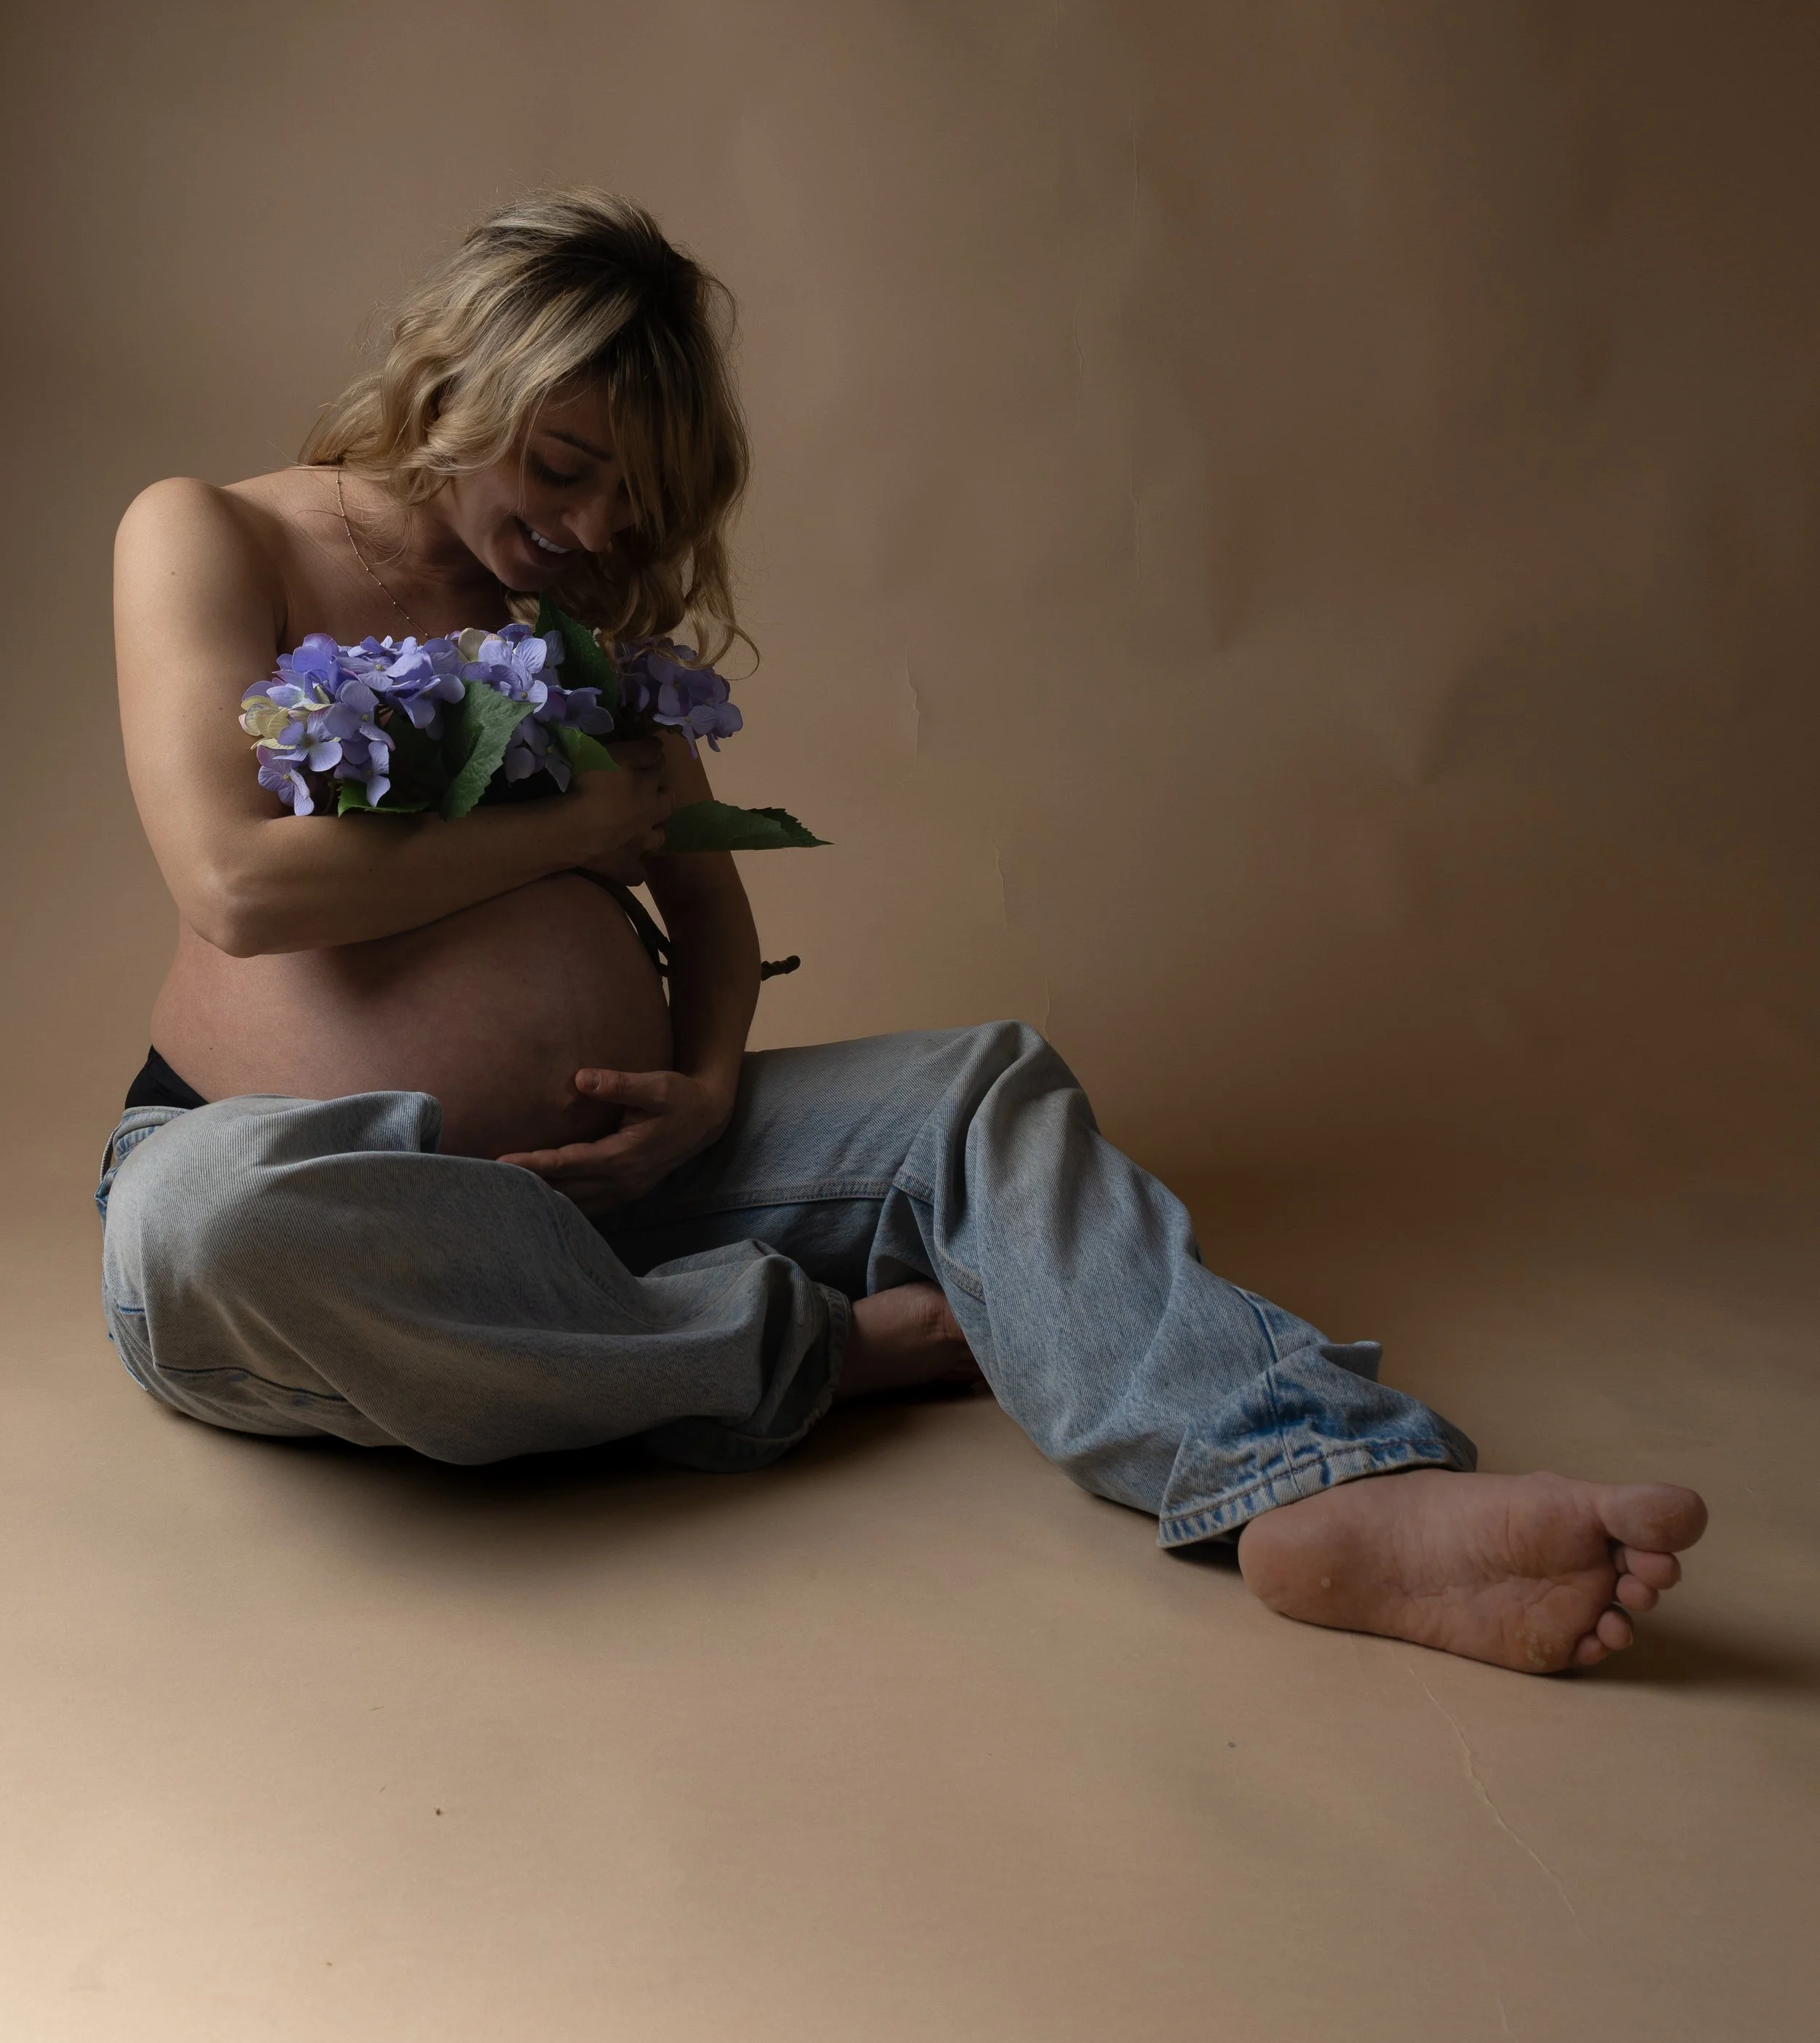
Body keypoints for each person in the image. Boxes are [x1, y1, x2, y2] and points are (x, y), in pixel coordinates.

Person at [100, 191, 1706, 1676]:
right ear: (461, 376)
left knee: (978, 1087)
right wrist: (572, 831)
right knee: (208, 1226)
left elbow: (707, 905)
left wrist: (707, 1088)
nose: (591, 527)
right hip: (308, 1207)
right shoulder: (210, 534)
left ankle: (1308, 1480)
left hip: (617, 1192)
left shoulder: (570, 625)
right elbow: (235, 885)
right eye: (565, 464)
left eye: (631, 502)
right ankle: (790, 1349)